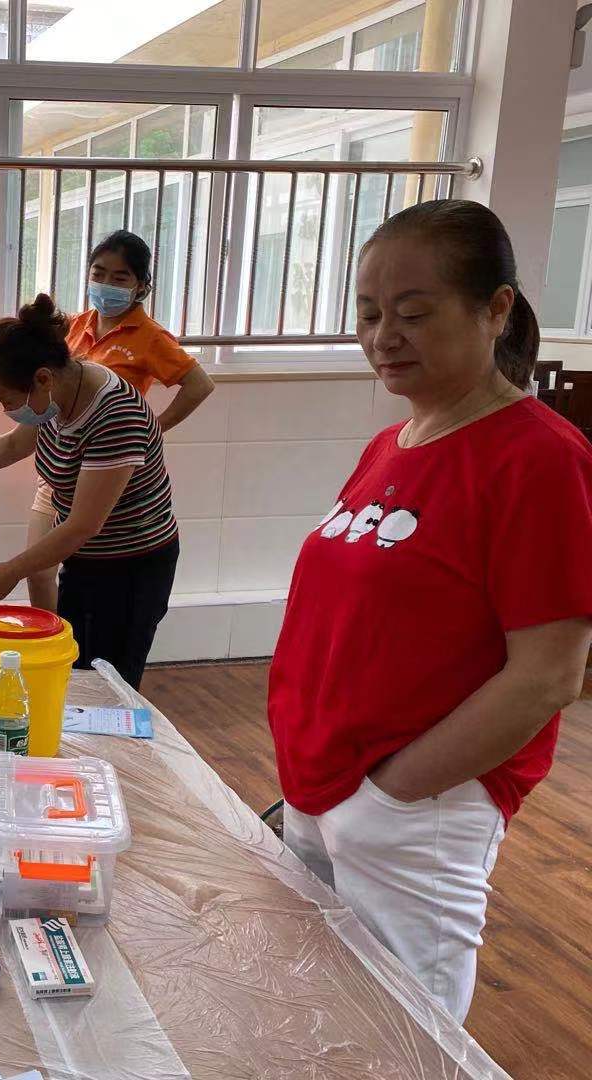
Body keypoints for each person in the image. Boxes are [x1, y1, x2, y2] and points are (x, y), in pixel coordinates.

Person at [268, 200, 592, 1023]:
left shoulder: (538, 459)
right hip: (323, 781)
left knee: (406, 1036)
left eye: (413, 314)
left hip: (413, 804)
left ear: (496, 308)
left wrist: (395, 794)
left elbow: (549, 675)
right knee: (318, 1012)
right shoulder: (393, 444)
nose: (385, 337)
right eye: (369, 314)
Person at [0, 230, 212, 611]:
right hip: (68, 486)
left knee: (96, 630)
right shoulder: (72, 342)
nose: (106, 284)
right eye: (98, 273)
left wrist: (153, 428)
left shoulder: (122, 394)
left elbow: (84, 525)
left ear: (142, 285)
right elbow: (12, 444)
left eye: (119, 277)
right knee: (48, 582)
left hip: (123, 536)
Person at [0, 295, 178, 689]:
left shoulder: (115, 415)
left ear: (43, 378)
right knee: (75, 673)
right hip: (85, 559)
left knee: (109, 683)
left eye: (7, 400)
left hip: (132, 566)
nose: (7, 409)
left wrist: (13, 570)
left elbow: (83, 524)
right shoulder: (58, 395)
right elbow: (13, 445)